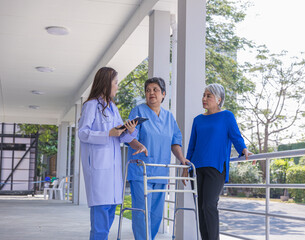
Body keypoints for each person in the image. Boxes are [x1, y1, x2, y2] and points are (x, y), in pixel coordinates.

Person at [78, 67, 147, 240]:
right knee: (100, 223)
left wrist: (129, 130)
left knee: (109, 216)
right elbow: (83, 133)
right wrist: (107, 133)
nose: (117, 87)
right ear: (105, 83)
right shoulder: (91, 105)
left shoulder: (113, 108)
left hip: (113, 171)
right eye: (115, 83)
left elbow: (120, 136)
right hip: (99, 171)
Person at [184, 83, 253, 240]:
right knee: (200, 208)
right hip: (196, 168)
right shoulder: (198, 120)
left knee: (209, 205)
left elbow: (236, 136)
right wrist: (186, 166)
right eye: (204, 95)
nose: (204, 98)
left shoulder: (227, 116)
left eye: (209, 96)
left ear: (219, 99)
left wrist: (244, 149)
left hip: (216, 167)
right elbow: (192, 146)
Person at [127, 77, 189, 240]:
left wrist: (182, 159)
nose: (151, 93)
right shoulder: (138, 111)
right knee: (142, 212)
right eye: (148, 90)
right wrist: (138, 145)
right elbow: (130, 136)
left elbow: (175, 141)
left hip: (161, 171)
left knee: (155, 215)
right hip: (141, 170)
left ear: (163, 94)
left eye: (155, 90)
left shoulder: (169, 117)